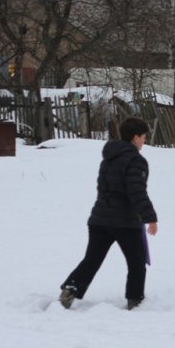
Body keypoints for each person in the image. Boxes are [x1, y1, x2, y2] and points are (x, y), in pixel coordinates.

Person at [59, 116, 158, 310]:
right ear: (135, 137)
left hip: (99, 219)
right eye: (143, 136)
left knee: (92, 259)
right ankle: (135, 300)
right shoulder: (136, 160)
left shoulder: (109, 158)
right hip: (124, 221)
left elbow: (103, 188)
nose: (144, 140)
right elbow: (136, 191)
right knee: (136, 261)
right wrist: (150, 217)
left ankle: (71, 288)